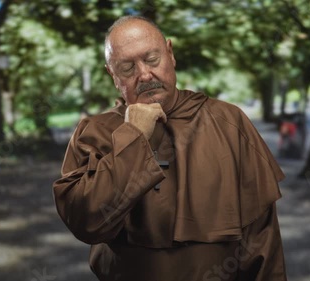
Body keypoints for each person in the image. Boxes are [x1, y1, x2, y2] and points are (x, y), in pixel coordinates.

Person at [53, 15, 287, 281]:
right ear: (113, 75)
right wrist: (134, 135)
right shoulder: (93, 133)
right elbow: (86, 222)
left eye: (152, 59)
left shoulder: (229, 122)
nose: (144, 75)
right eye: (127, 67)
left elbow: (263, 242)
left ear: (170, 54)